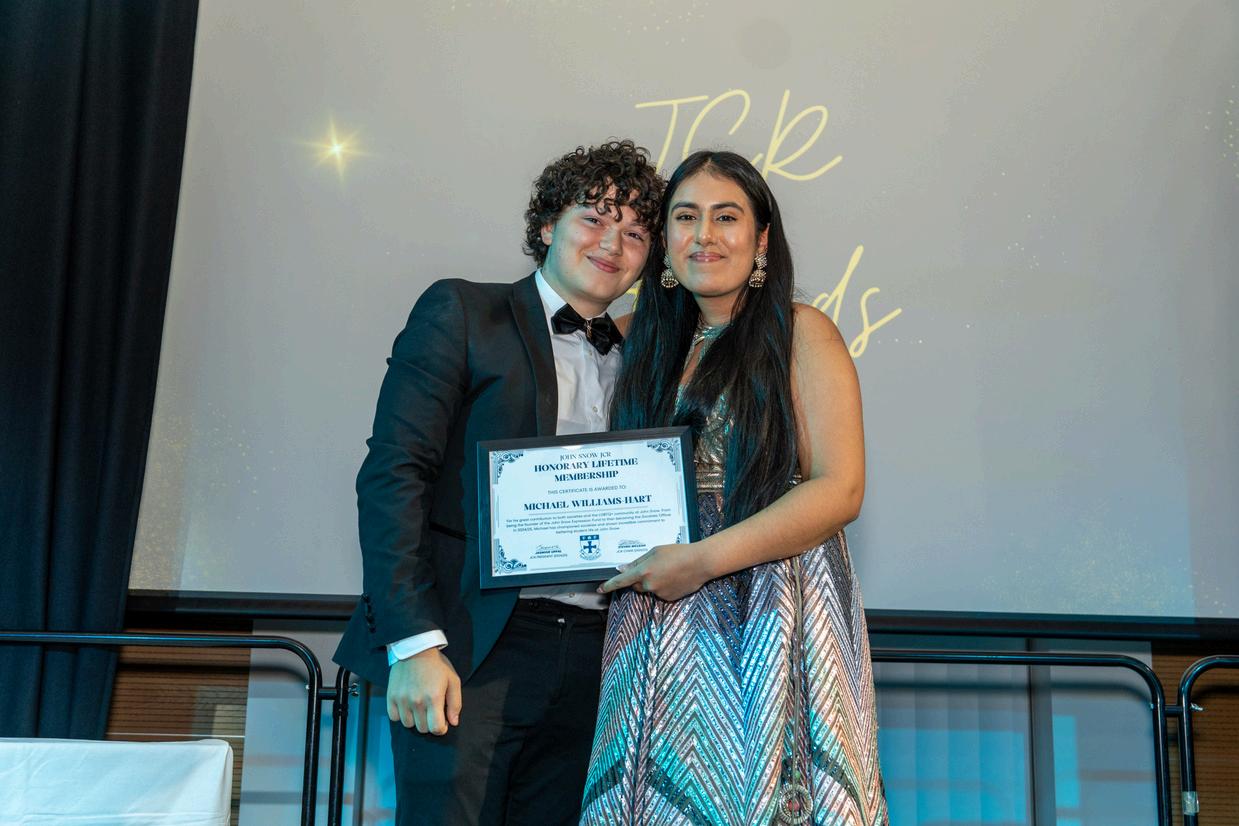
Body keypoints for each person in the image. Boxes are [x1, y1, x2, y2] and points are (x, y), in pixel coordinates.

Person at [333, 140, 664, 825]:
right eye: (594, 218)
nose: (613, 243)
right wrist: (414, 643)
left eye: (635, 233)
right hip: (467, 645)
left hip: (599, 653)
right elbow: (395, 473)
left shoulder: (643, 360)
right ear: (546, 225)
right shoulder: (462, 312)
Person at [581, 150, 888, 825]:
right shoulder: (628, 341)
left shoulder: (802, 333)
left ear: (761, 239)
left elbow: (839, 490)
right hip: (650, 616)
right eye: (685, 217)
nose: (704, 235)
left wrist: (701, 561)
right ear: (663, 239)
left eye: (726, 217)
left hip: (774, 613)